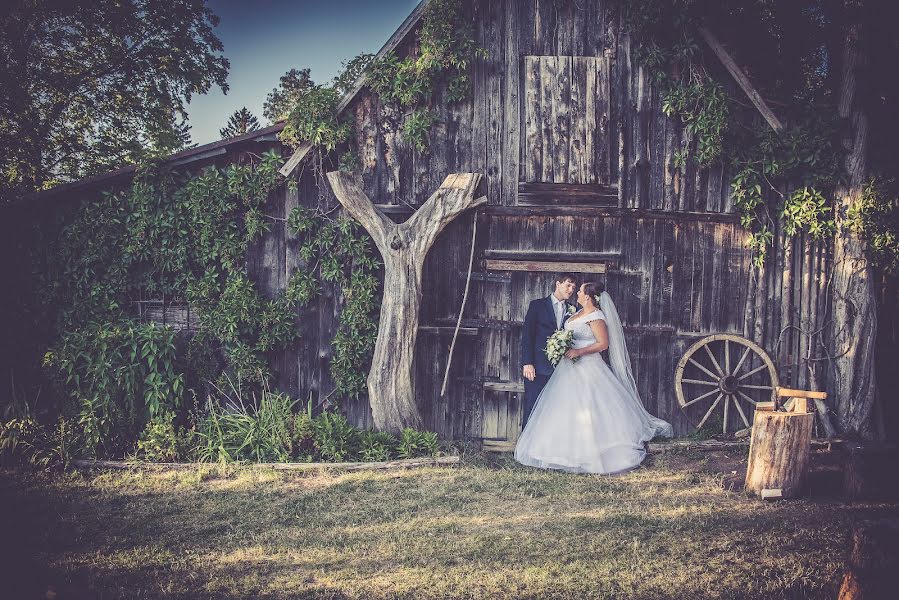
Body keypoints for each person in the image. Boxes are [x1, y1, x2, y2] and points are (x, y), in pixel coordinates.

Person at [515, 282, 673, 474]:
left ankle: (593, 454)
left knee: (591, 407)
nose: (577, 293)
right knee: (564, 408)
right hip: (567, 368)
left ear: (588, 296)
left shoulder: (596, 316)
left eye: (580, 291)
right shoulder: (575, 314)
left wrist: (579, 351)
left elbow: (603, 344)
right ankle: (557, 453)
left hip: (588, 367)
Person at [519, 273, 578, 428]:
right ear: (558, 284)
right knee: (532, 406)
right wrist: (527, 363)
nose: (571, 289)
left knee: (557, 409)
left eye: (573, 287)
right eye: (568, 285)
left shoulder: (573, 310)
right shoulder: (537, 305)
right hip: (537, 367)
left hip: (562, 369)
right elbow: (527, 335)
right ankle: (525, 450)